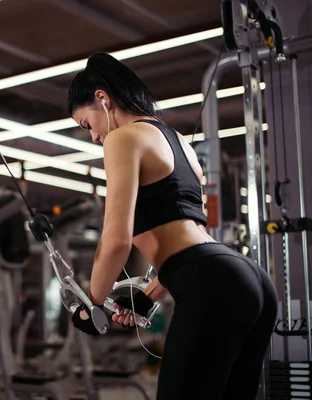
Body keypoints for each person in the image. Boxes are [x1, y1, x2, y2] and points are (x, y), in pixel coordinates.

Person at [67, 52, 278, 400]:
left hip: (211, 282)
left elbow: (116, 242)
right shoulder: (179, 142)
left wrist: (91, 304)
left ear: (102, 99)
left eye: (87, 124)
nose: (93, 138)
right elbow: (189, 239)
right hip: (245, 278)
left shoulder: (124, 138)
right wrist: (148, 297)